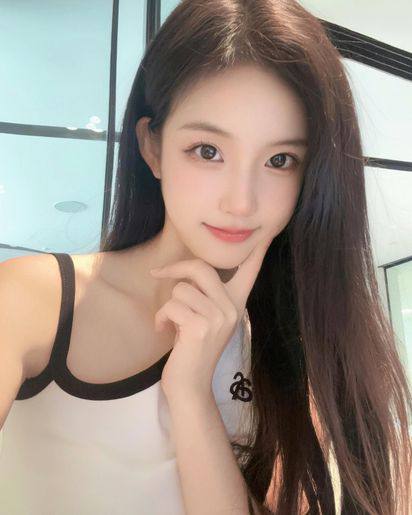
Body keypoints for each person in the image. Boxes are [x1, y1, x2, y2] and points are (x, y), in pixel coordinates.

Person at [0, 0, 411, 513]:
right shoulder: (37, 298)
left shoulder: (289, 352)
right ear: (152, 147)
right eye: (208, 151)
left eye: (280, 160)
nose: (241, 202)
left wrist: (192, 389)